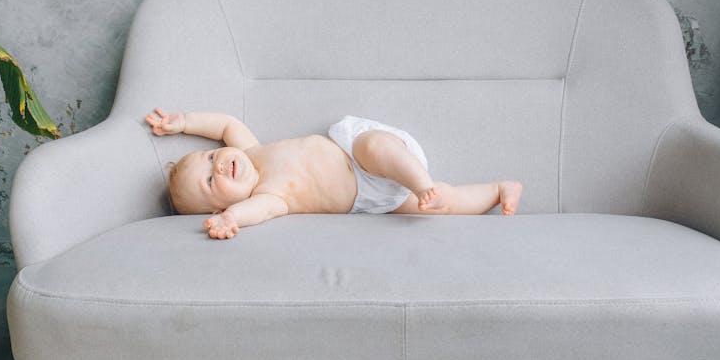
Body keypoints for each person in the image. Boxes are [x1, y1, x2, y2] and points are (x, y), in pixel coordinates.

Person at [145, 109, 523, 239]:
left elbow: (227, 123)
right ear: (217, 207)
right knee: (438, 206)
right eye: (211, 182)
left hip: (359, 151)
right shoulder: (269, 199)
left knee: (374, 148)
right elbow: (253, 215)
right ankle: (498, 189)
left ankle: (423, 182)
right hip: (372, 199)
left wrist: (184, 123)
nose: (218, 164)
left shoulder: (247, 151)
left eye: (211, 156)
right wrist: (230, 220)